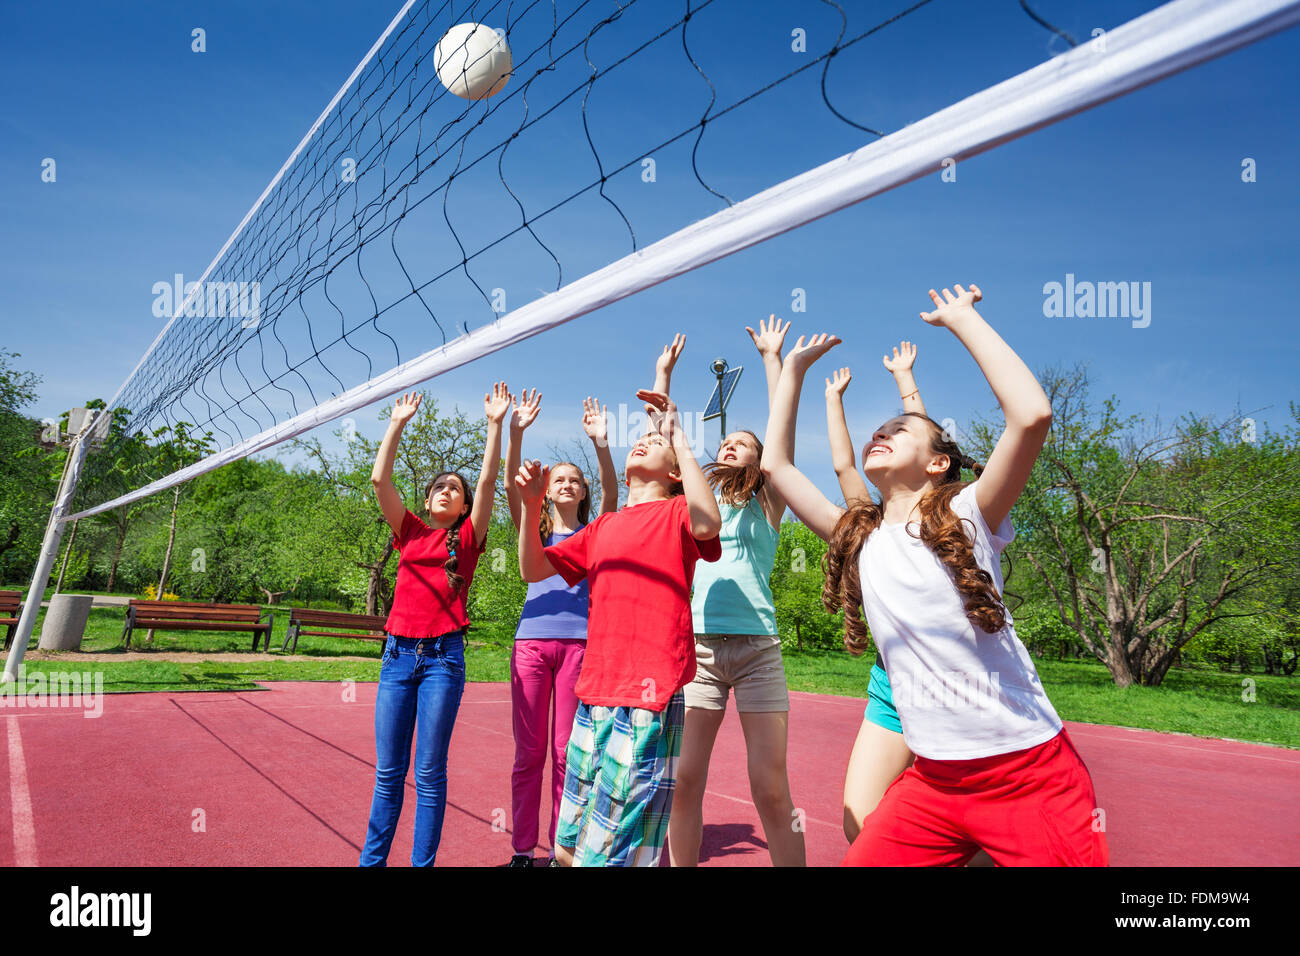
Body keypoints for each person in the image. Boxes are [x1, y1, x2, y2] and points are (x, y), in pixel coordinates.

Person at [761, 285, 1107, 867]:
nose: (881, 433)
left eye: (899, 430)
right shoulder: (860, 535)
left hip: (1025, 770)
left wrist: (963, 319)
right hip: (935, 782)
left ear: (937, 462)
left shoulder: (970, 514)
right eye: (879, 431)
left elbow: (1031, 415)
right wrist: (789, 370)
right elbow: (776, 465)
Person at [516, 387, 722, 867]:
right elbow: (530, 569)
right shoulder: (601, 528)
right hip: (594, 690)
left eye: (656, 441)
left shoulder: (677, 512)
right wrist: (530, 506)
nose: (643, 441)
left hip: (648, 693)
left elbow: (709, 522)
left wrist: (679, 436)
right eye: (643, 438)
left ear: (675, 472)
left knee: (613, 851)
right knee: (568, 844)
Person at [661, 317, 805, 867]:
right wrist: (664, 375)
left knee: (770, 788)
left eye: (742, 443)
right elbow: (663, 439)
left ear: (756, 458)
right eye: (726, 440)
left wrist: (774, 360)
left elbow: (780, 437)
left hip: (756, 652)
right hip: (696, 651)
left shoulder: (768, 500)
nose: (730, 444)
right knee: (685, 779)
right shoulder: (694, 503)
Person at [359, 384, 508, 867]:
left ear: (463, 507)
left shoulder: (466, 538)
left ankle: (421, 864)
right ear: (426, 500)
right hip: (398, 657)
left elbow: (487, 484)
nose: (447, 490)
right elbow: (381, 481)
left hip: (444, 658)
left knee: (428, 772)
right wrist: (396, 423)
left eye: (455, 489)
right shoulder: (411, 533)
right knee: (388, 773)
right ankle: (372, 863)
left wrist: (495, 426)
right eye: (439, 486)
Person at [502, 390, 618, 867]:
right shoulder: (534, 526)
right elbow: (512, 488)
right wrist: (515, 432)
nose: (567, 483)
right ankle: (522, 850)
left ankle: (562, 849)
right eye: (559, 479)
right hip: (531, 645)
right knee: (528, 754)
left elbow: (613, 490)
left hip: (580, 648)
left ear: (584, 492)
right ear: (547, 490)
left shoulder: (597, 531)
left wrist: (600, 444)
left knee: (568, 755)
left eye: (576, 480)